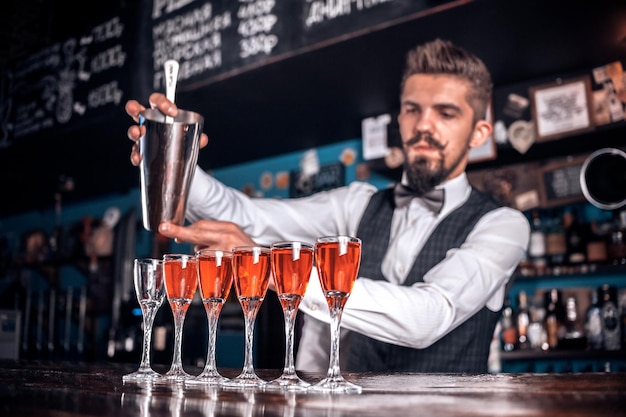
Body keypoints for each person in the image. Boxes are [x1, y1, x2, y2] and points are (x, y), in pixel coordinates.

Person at [125, 38, 530, 373]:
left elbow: (430, 315)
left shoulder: (502, 224)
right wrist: (172, 158)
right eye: (412, 110)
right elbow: (247, 216)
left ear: (479, 132)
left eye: (446, 113)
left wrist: (269, 266)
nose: (424, 125)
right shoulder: (358, 204)